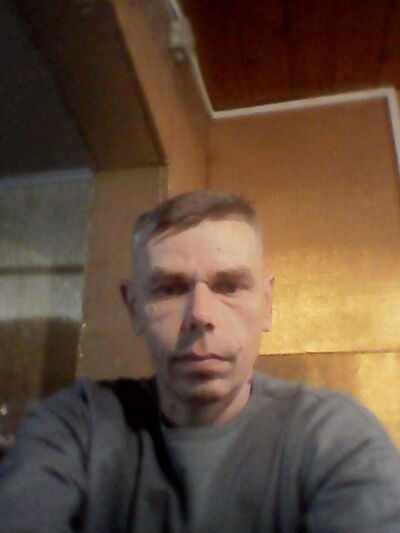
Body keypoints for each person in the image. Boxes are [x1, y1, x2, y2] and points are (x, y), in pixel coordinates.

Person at [0, 191, 399, 532]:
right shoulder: (74, 425)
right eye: (170, 289)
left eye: (230, 286)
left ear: (266, 304)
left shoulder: (335, 437)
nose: (200, 315)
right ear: (134, 308)